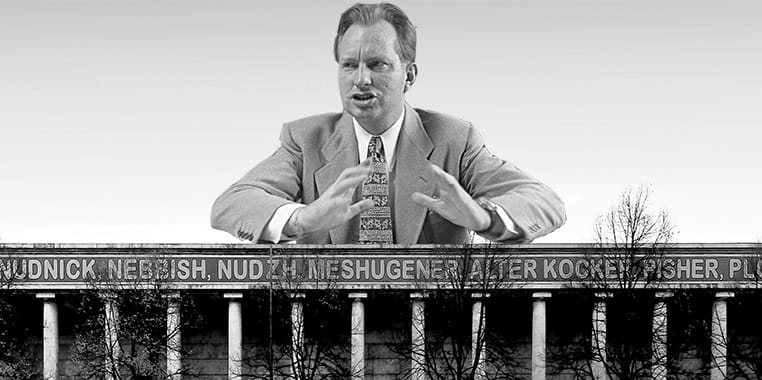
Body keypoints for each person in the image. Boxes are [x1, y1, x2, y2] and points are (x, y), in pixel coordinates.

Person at [211, 2, 565, 245]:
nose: (360, 79)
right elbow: (231, 205)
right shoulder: (305, 140)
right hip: (331, 331)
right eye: (349, 65)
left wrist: (483, 219)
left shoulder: (453, 140)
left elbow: (545, 202)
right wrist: (304, 218)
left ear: (408, 75)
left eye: (377, 64)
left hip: (433, 332)